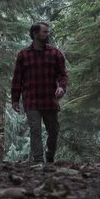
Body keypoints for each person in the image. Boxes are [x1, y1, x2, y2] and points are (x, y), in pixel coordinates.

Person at [11, 22, 68, 163]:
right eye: (45, 32)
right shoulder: (23, 55)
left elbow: (63, 74)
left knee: (53, 131)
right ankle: (38, 160)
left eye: (48, 32)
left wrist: (61, 87)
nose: (48, 34)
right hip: (31, 99)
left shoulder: (55, 53)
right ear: (35, 34)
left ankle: (50, 156)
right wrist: (15, 99)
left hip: (50, 99)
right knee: (35, 131)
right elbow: (17, 78)